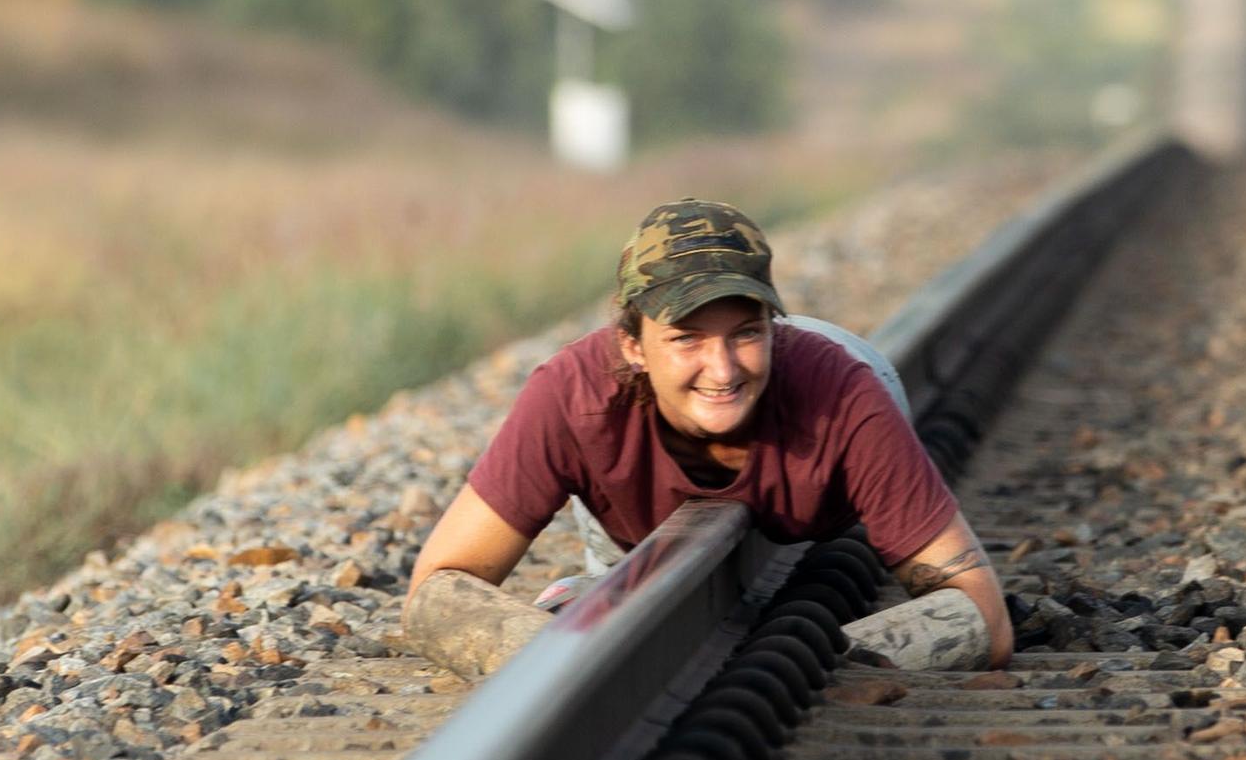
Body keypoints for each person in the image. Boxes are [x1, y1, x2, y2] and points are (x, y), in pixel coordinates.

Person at [402, 198, 1014, 678]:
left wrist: (813, 666)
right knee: (615, 590)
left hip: (836, 401)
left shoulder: (845, 398)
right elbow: (437, 587)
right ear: (633, 345)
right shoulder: (574, 399)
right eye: (686, 338)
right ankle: (596, 581)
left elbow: (984, 613)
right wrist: (557, 660)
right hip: (634, 493)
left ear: (775, 326)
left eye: (746, 333)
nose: (722, 369)